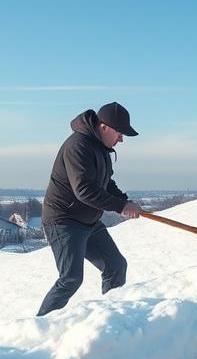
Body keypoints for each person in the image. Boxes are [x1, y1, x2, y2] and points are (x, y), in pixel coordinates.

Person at [36, 102, 143, 316]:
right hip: (64, 220)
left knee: (116, 266)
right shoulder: (78, 146)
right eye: (120, 133)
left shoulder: (101, 149)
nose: (121, 139)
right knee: (71, 279)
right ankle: (38, 327)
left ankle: (110, 318)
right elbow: (83, 190)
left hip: (88, 220)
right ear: (104, 127)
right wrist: (122, 207)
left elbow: (106, 184)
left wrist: (125, 201)